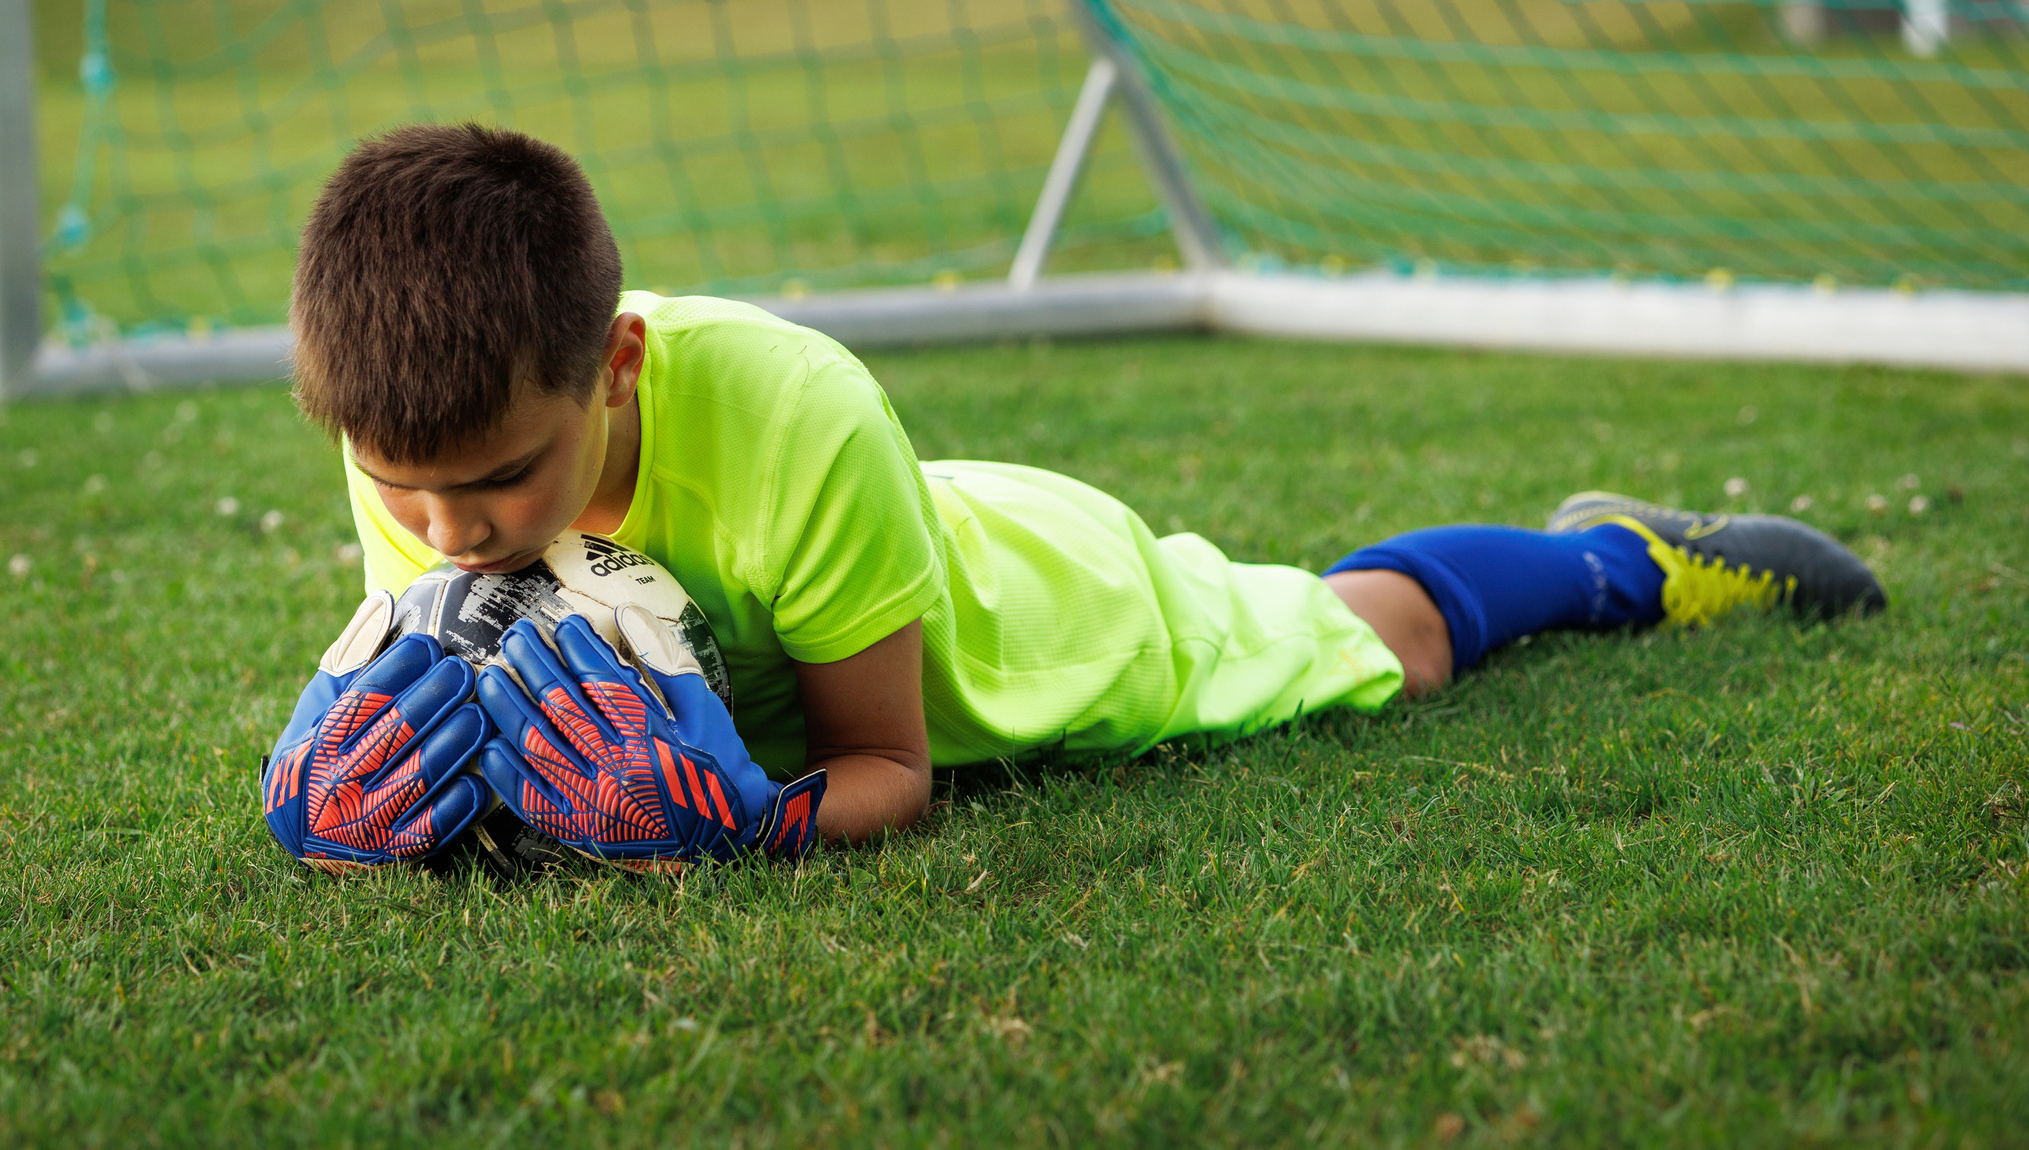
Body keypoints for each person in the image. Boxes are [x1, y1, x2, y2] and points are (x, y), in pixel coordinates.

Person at [258, 124, 1885, 872]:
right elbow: (508, 680)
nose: (450, 536)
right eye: (406, 494)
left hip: (1030, 613)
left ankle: (1616, 560)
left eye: (495, 485)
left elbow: (889, 768)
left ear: (612, 365)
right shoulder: (416, 429)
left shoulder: (791, 416)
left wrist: (756, 827)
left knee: (1371, 647)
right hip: (869, 548)